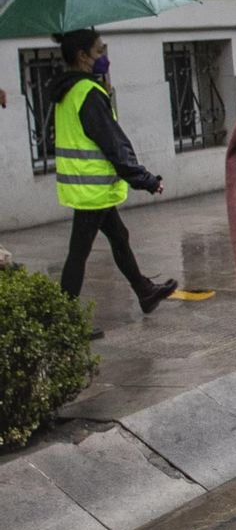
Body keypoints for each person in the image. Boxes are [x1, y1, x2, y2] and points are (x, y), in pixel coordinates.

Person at [48, 28, 175, 320]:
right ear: (83, 57)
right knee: (79, 252)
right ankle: (63, 320)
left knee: (119, 236)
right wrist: (145, 179)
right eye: (100, 50)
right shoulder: (88, 94)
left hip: (86, 184)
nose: (105, 56)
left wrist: (106, 88)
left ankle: (145, 291)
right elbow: (113, 144)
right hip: (92, 186)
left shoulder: (70, 89)